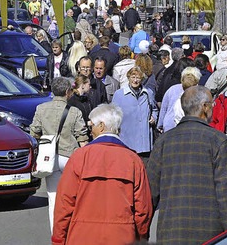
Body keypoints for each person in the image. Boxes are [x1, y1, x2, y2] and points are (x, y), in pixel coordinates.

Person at [147, 86, 227, 244]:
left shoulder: (164, 141)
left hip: (171, 231)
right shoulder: (218, 141)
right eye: (212, 104)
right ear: (205, 107)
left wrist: (143, 231)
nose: (214, 107)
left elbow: (150, 192)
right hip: (210, 233)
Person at [52, 104, 152, 245]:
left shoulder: (80, 157)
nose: (90, 130)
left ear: (101, 126)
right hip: (122, 235)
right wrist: (141, 237)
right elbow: (143, 209)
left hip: (81, 235)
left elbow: (64, 204)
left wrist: (58, 239)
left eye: (91, 125)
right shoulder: (133, 160)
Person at [30, 77, 89, 232]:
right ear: (67, 92)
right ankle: (72, 232)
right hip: (70, 156)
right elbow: (82, 137)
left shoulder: (41, 108)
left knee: (53, 198)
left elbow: (34, 132)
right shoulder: (74, 111)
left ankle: (55, 234)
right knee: (73, 197)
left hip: (50, 158)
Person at [112, 67, 157, 158]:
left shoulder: (148, 93)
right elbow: (113, 115)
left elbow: (155, 109)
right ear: (128, 78)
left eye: (138, 78)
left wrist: (154, 117)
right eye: (133, 77)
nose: (135, 80)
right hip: (126, 141)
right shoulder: (119, 94)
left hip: (144, 143)